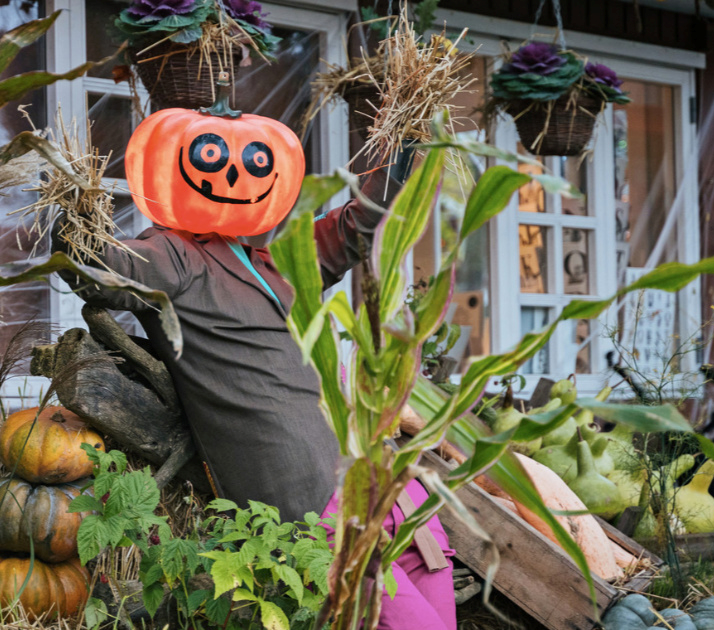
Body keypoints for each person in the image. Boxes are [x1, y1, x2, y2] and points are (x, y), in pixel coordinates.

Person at [53, 163, 455, 630]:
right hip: (315, 505)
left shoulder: (275, 263)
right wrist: (73, 209)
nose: (236, 178)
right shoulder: (175, 255)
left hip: (394, 495)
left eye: (255, 166)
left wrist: (402, 152)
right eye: (212, 163)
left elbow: (357, 226)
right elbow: (103, 271)